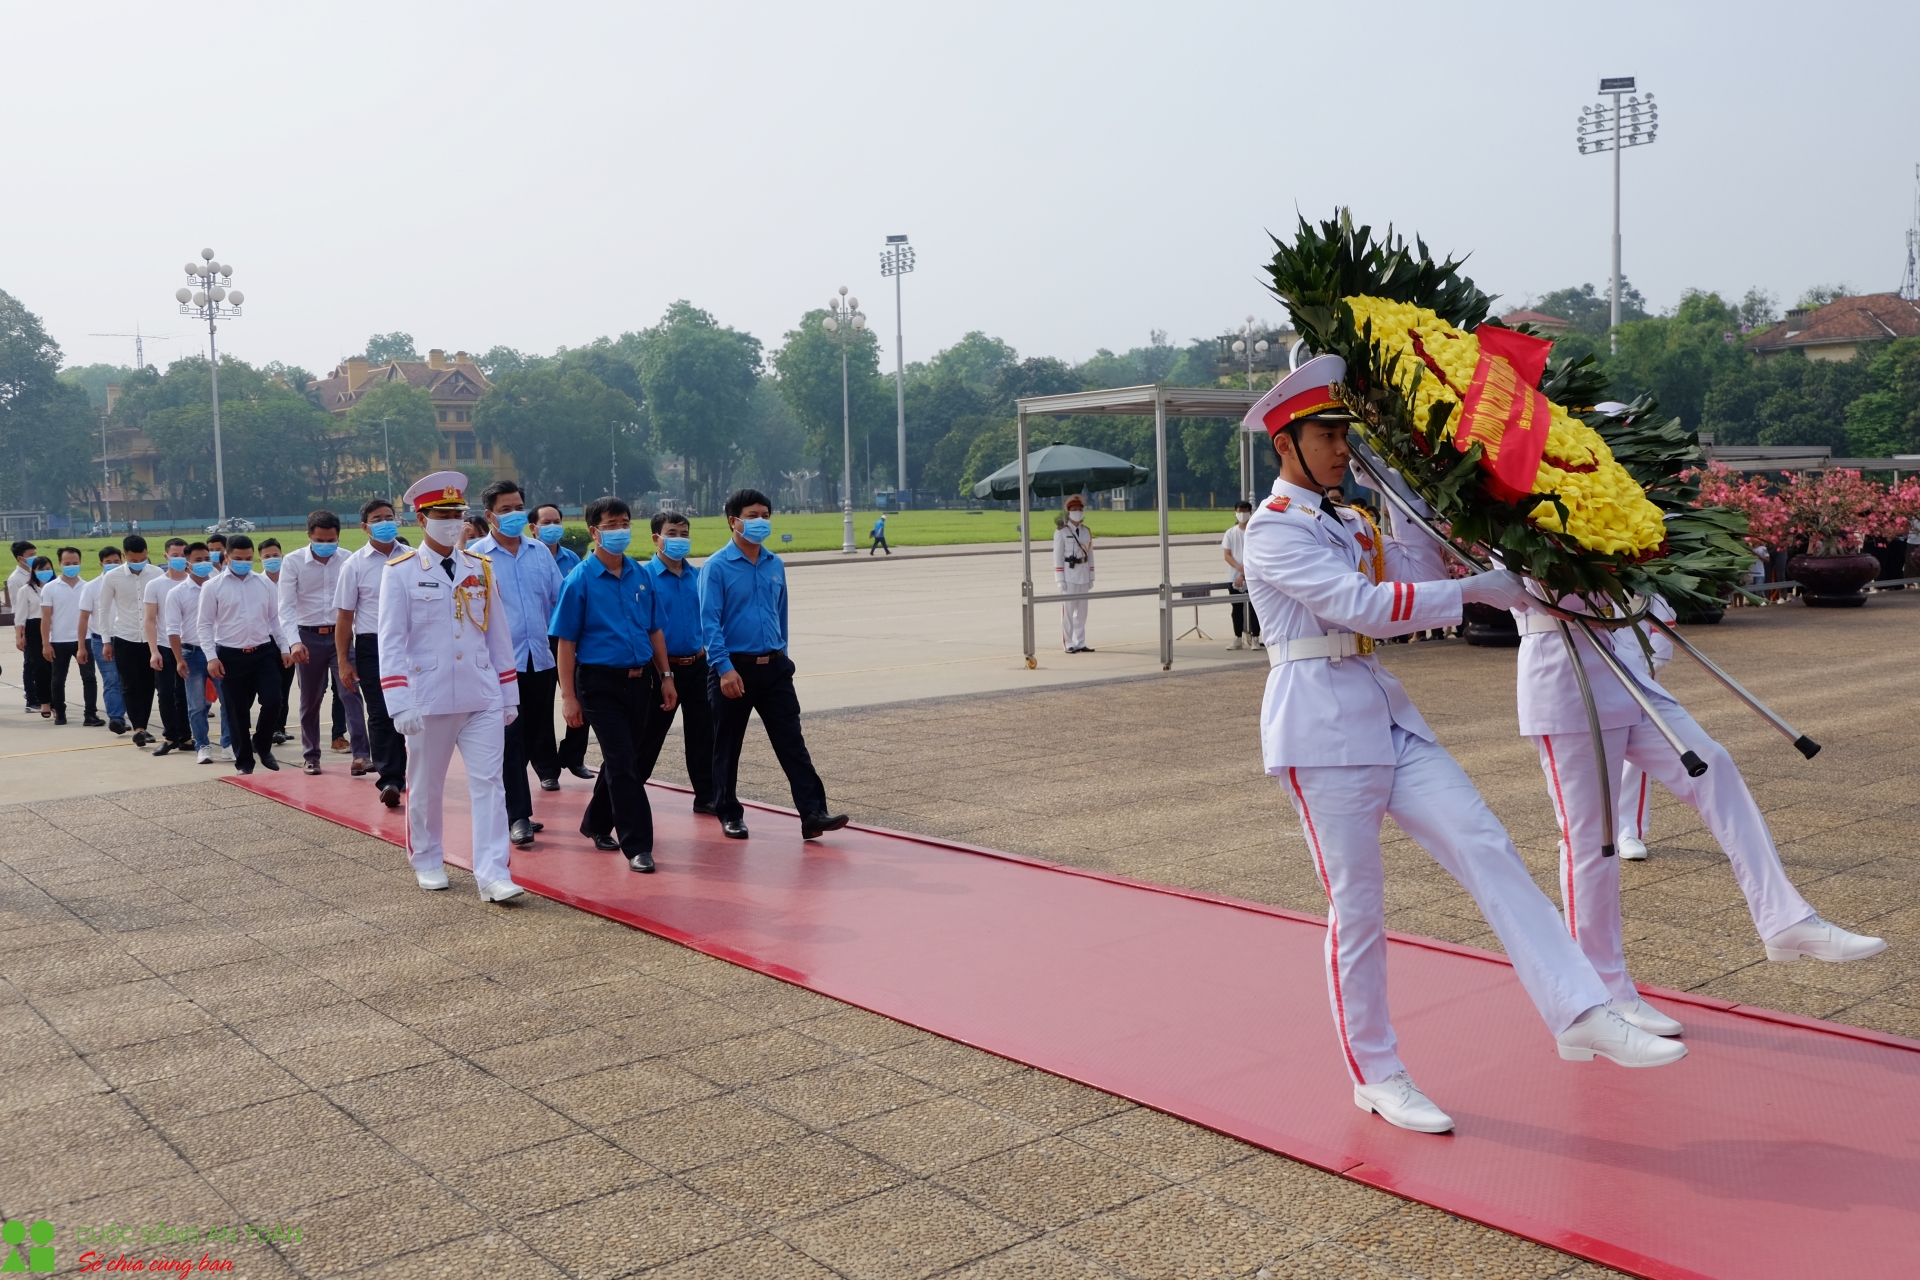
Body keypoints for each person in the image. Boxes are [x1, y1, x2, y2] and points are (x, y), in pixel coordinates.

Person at [1240, 356, 1683, 1136]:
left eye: (1348, 433)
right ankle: (1376, 1073)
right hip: (1319, 733)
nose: (1345, 448)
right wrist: (1479, 590)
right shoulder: (1271, 531)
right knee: (1360, 910)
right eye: (1328, 434)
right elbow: (1366, 608)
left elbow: (1413, 577)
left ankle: (1578, 1007)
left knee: (1487, 844)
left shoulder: (1352, 521)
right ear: (1285, 443)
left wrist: (1417, 506)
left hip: (1386, 717)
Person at [1514, 588, 1885, 1038]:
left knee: (1713, 767)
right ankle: (1605, 990)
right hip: (1565, 680)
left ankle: (1785, 918)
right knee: (1593, 843)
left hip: (1626, 674)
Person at [378, 471, 524, 902]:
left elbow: (497, 634)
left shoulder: (479, 567)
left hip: (481, 694)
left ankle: (494, 873)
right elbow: (390, 640)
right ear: (421, 520)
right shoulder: (400, 572)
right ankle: (426, 858)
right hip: (429, 696)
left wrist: (508, 694)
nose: (452, 522)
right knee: (425, 785)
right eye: (441, 515)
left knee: (490, 784)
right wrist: (399, 700)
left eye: (457, 514)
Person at [699, 489, 847, 843]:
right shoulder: (716, 567)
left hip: (775, 669)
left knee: (791, 741)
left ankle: (812, 813)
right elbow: (709, 623)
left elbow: (780, 616)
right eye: (752, 515)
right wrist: (723, 668)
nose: (760, 521)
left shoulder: (774, 564)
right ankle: (728, 812)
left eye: (765, 514)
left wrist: (783, 655)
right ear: (733, 521)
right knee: (727, 745)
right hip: (734, 668)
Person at [553, 497, 675, 873]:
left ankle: (594, 822)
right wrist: (569, 698)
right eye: (612, 524)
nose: (620, 530)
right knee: (624, 763)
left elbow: (654, 628)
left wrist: (666, 676)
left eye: (625, 522)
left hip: (641, 682)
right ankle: (638, 844)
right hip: (599, 684)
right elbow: (566, 643)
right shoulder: (579, 580)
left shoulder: (640, 575)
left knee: (626, 759)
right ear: (595, 531)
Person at [581, 511, 714, 851]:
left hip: (696, 666)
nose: (680, 538)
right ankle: (602, 819)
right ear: (657, 538)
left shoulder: (696, 576)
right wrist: (664, 674)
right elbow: (648, 629)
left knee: (704, 736)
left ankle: (708, 796)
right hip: (656, 671)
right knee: (637, 754)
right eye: (673, 532)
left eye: (685, 532)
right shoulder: (642, 577)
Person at [469, 480, 564, 848]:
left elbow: (559, 602)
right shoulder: (476, 557)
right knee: (508, 739)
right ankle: (519, 816)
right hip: (498, 667)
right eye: (505, 509)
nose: (514, 514)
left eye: (518, 507)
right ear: (490, 515)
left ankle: (510, 804)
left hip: (540, 660)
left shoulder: (540, 552)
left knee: (528, 737)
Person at [279, 511, 366, 776]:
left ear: (339, 536)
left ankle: (361, 755)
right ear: (309, 536)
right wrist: (293, 643)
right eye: (320, 539)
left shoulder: (348, 559)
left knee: (350, 694)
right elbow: (285, 607)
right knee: (310, 699)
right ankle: (311, 756)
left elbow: (359, 601)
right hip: (307, 637)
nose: (326, 544)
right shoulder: (293, 562)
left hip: (342, 636)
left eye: (331, 539)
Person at [335, 498, 411, 800]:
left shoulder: (413, 558)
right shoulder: (354, 565)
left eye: (389, 517)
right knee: (380, 712)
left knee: (412, 709)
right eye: (377, 519)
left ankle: (411, 770)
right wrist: (343, 660)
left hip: (410, 644)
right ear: (365, 526)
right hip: (372, 645)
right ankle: (390, 779)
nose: (385, 523)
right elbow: (344, 617)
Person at [198, 535, 292, 775]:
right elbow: (205, 624)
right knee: (237, 711)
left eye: (249, 558)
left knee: (273, 700)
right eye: (238, 559)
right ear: (226, 557)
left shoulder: (264, 584)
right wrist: (211, 657)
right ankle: (245, 763)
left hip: (263, 653)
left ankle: (262, 743)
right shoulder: (212, 587)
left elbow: (274, 619)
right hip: (230, 655)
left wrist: (284, 648)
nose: (244, 563)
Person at [531, 502, 592, 779]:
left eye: (557, 521)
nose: (553, 527)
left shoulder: (572, 559)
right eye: (546, 523)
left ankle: (573, 755)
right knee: (542, 708)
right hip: (539, 639)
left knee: (581, 697)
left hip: (568, 638)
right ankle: (546, 769)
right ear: (533, 528)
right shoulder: (529, 558)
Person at [165, 543, 231, 764]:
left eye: (206, 559)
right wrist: (179, 659)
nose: (203, 564)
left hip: (220, 652)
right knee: (196, 705)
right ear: (187, 563)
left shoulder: (220, 586)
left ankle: (229, 743)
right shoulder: (177, 593)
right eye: (198, 560)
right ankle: (202, 745)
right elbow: (172, 629)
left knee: (228, 701)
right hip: (192, 653)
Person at [94, 535, 161, 745]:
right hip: (125, 637)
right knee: (130, 685)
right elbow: (103, 609)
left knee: (148, 684)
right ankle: (139, 727)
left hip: (152, 640)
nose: (138, 563)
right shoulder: (112, 577)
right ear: (124, 556)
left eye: (142, 558)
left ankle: (144, 725)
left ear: (147, 552)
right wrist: (106, 640)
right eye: (133, 559)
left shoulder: (157, 574)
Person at [144, 539, 193, 755]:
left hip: (190, 646)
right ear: (166, 556)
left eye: (183, 555)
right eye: (175, 555)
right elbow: (150, 619)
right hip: (165, 645)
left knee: (187, 695)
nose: (179, 559)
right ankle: (170, 736)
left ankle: (186, 736)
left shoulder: (199, 582)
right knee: (165, 693)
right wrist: (154, 650)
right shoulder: (155, 585)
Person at [254, 537, 298, 748]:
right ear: (260, 559)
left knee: (285, 686)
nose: (272, 559)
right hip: (266, 641)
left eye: (276, 556)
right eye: (267, 557)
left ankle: (279, 727)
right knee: (270, 689)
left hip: (289, 640)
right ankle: (268, 727)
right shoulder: (257, 583)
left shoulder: (290, 581)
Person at [40, 548, 92, 726]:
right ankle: (60, 714)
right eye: (67, 564)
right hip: (59, 640)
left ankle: (90, 714)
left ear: (80, 563)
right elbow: (46, 618)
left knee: (89, 678)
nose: (71, 566)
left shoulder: (87, 587)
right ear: (60, 564)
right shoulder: (50, 588)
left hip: (84, 640)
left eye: (75, 563)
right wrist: (45, 643)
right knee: (58, 679)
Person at [78, 545, 121, 729]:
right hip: (101, 640)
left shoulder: (128, 584)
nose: (113, 565)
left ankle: (133, 718)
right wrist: (81, 646)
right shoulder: (91, 587)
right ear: (101, 564)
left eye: (116, 562)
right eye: (108, 562)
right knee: (111, 679)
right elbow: (84, 618)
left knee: (129, 680)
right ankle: (117, 718)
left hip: (127, 639)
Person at [1053, 495, 1095, 653]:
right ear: (1068, 512)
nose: (1077, 512)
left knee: (1082, 612)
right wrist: (1059, 579)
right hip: (1069, 576)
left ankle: (1080, 642)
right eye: (1074, 510)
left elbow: (1090, 555)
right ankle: (1068, 643)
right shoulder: (1061, 532)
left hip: (1083, 575)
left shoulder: (1086, 531)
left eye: (1079, 509)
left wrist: (1091, 576)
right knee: (1068, 612)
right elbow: (1057, 557)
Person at [1221, 499, 1262, 651]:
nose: (1242, 514)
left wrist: (1245, 574)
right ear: (1235, 512)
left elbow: (1257, 554)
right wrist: (1239, 569)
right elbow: (1227, 555)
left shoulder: (1254, 532)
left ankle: (1256, 638)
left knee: (1254, 609)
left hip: (1253, 577)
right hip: (1234, 577)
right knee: (1236, 609)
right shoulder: (1230, 533)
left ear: (1250, 513)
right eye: (1240, 511)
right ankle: (1237, 638)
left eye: (1245, 511)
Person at [16, 556, 52, 717]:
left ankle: (56, 703)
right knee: (40, 667)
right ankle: (44, 702)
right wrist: (19, 636)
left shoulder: (55, 587)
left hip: (53, 629)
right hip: (33, 629)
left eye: (47, 569)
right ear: (34, 571)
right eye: (40, 569)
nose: (44, 572)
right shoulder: (26, 590)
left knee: (54, 668)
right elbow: (20, 616)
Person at [7, 541, 37, 713]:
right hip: (27, 626)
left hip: (41, 624)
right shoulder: (15, 580)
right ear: (20, 558)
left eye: (35, 553)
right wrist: (20, 633)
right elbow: (17, 608)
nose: (34, 557)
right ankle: (31, 699)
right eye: (30, 555)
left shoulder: (38, 573)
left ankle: (40, 695)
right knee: (30, 663)